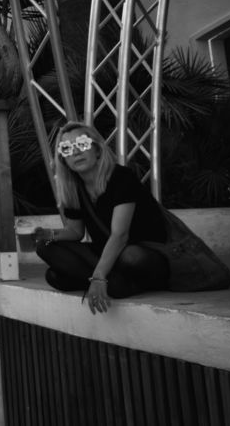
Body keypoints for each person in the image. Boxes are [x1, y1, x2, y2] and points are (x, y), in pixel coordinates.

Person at [34, 122, 171, 315]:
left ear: (97, 150)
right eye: (66, 149)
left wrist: (98, 276)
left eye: (82, 144)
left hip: (144, 255)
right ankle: (113, 282)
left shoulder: (121, 177)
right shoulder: (73, 188)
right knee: (46, 250)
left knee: (131, 256)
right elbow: (75, 232)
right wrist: (47, 234)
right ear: (63, 160)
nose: (76, 152)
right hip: (108, 254)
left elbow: (120, 236)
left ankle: (101, 279)